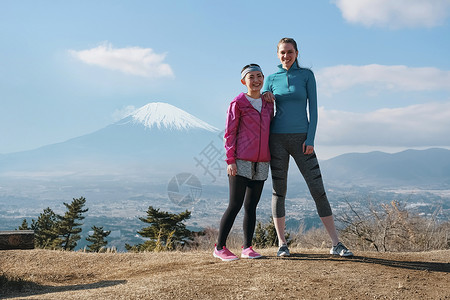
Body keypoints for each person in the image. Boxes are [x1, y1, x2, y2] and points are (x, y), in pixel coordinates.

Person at [262, 38, 353, 257]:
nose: (286, 56)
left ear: (296, 52)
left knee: (317, 190)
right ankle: (282, 244)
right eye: (282, 52)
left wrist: (310, 139)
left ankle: (336, 243)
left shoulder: (306, 76)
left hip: (303, 140)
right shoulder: (271, 78)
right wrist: (266, 97)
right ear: (277, 55)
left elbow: (314, 110)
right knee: (279, 192)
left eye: (290, 52)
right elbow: (261, 106)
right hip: (277, 140)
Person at [213, 64, 274, 261]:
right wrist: (230, 160)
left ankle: (247, 247)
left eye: (259, 76)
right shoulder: (238, 102)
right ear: (243, 81)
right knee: (235, 204)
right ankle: (220, 247)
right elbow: (229, 133)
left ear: (263, 78)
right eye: (251, 77)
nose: (256, 80)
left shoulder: (267, 103)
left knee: (251, 206)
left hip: (262, 161)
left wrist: (269, 97)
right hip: (240, 160)